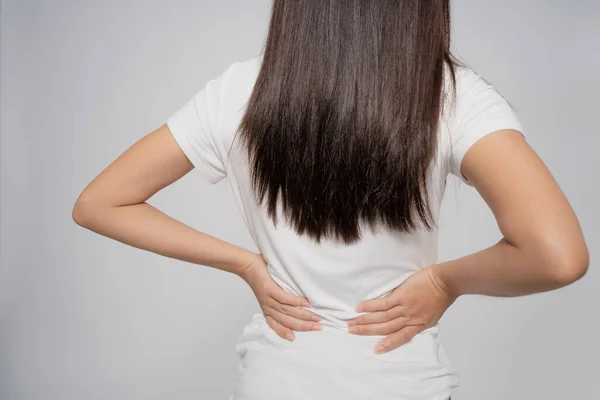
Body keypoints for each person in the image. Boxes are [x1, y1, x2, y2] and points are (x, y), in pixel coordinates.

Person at [71, 1, 589, 399]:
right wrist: (441, 281)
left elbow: (100, 203)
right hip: (402, 384)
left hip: (276, 381)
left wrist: (247, 265)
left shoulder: (239, 91)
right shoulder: (453, 96)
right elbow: (557, 256)